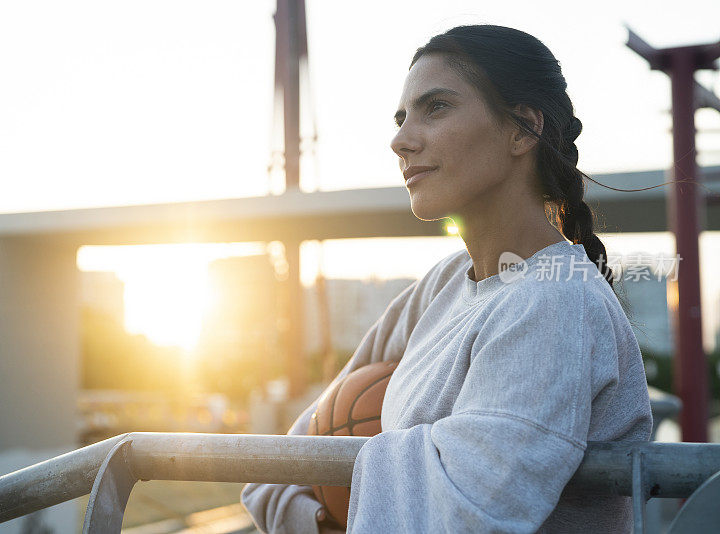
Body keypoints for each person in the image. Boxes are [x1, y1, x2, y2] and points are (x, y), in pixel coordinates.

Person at [241, 24, 653, 533]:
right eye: (401, 117)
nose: (400, 140)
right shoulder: (442, 287)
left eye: (436, 107)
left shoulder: (555, 302)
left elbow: (467, 517)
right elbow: (277, 468)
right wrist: (324, 520)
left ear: (522, 130)